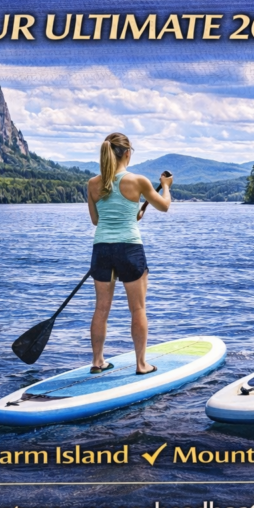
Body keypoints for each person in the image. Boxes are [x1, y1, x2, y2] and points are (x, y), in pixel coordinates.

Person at [86, 133, 173, 375]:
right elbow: (165, 206)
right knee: (138, 309)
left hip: (102, 248)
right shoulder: (138, 181)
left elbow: (96, 220)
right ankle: (141, 364)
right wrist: (166, 187)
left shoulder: (93, 183)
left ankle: (97, 361)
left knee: (101, 308)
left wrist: (131, 214)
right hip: (129, 248)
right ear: (127, 153)